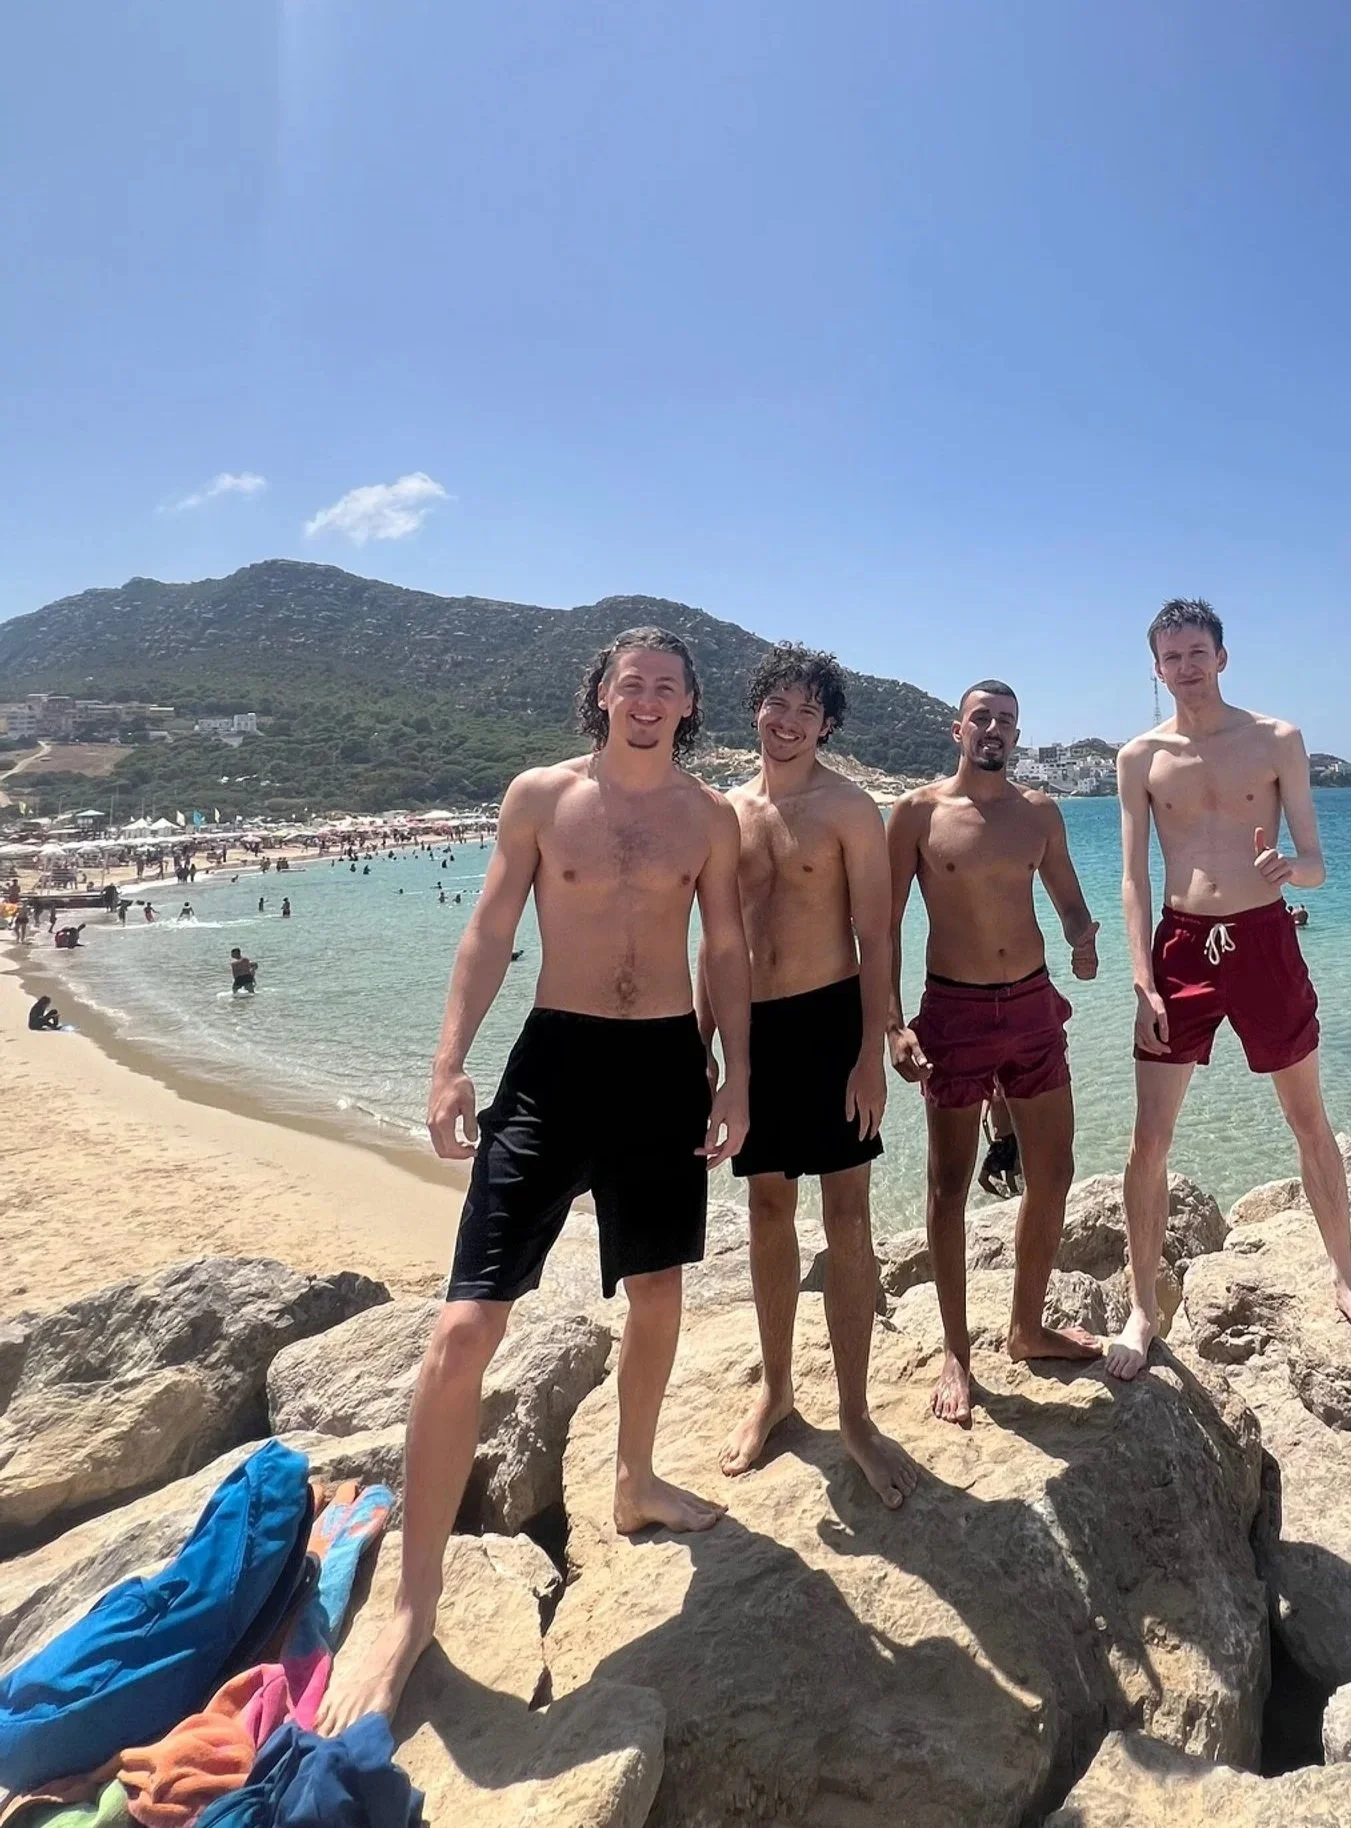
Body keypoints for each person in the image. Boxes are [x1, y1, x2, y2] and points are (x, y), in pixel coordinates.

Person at [318, 627, 750, 1735]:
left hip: (664, 1068)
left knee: (659, 1292)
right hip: (554, 1066)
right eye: (629, 682)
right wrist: (447, 1063)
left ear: (689, 704)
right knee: (465, 1324)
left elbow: (724, 951)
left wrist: (736, 1075)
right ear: (599, 694)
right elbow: (489, 928)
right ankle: (411, 1608)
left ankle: (634, 1479)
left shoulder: (710, 818)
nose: (646, 698)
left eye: (666, 686)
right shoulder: (540, 797)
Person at [1107, 598, 1351, 1381]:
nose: (1186, 667)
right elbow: (1133, 878)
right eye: (1171, 657)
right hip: (1180, 948)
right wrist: (1142, 978)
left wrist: (1289, 870)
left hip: (1265, 940)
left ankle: (1348, 1282)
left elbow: (1317, 864)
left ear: (1222, 657)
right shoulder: (1140, 757)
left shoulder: (1276, 740)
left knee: (1309, 1120)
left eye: (1197, 652)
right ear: (1157, 668)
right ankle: (1142, 1307)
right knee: (1149, 1140)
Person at [706, 643, 918, 1508]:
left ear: (826, 725)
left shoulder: (849, 809)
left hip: (832, 1024)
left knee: (848, 1215)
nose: (788, 722)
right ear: (757, 709)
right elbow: (717, 942)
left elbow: (878, 936)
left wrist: (873, 1049)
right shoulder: (726, 812)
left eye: (807, 711)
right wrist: (706, 1048)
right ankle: (777, 1390)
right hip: (754, 1028)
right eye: (778, 705)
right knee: (767, 1210)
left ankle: (857, 1415)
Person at [886, 679, 1102, 1424]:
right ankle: (956, 1351)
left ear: (1016, 734)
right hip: (955, 1009)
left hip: (1033, 1004)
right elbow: (882, 927)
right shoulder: (917, 814)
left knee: (1055, 1171)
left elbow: (1068, 899)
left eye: (1006, 720)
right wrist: (892, 1025)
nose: (994, 728)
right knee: (948, 1186)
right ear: (958, 730)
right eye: (982, 717)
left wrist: (1082, 938)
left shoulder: (1039, 812)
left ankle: (1027, 1327)